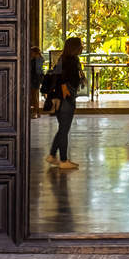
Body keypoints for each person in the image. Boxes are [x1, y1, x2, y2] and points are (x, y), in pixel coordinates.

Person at [48, 35, 85, 169]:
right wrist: (65, 91)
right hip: (66, 99)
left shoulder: (65, 59)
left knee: (62, 129)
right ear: (74, 47)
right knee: (64, 130)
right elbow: (62, 79)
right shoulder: (70, 61)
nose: (82, 47)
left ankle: (52, 155)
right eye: (80, 45)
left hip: (62, 99)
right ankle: (63, 161)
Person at [29, 45, 45, 117]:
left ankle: (36, 112)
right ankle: (37, 112)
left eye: (32, 52)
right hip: (36, 79)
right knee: (34, 96)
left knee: (34, 96)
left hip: (35, 79)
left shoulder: (37, 60)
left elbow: (36, 71)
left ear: (35, 52)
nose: (30, 53)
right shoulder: (38, 59)